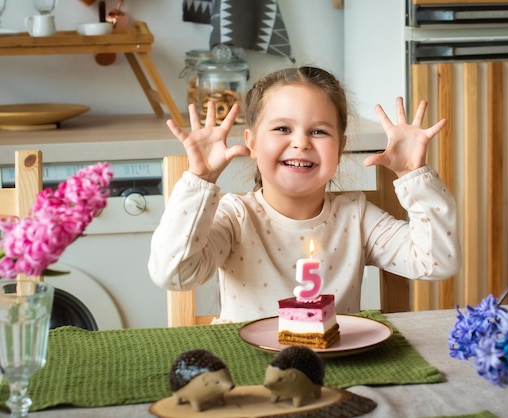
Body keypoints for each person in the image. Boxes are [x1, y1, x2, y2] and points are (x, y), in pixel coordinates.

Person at [149, 66, 461, 323]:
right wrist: (200, 179)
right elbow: (173, 275)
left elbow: (437, 262)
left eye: (318, 131)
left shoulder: (357, 216)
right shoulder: (236, 216)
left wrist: (413, 176)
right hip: (250, 372)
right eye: (283, 129)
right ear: (252, 143)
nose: (301, 143)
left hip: (336, 368)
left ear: (340, 148)